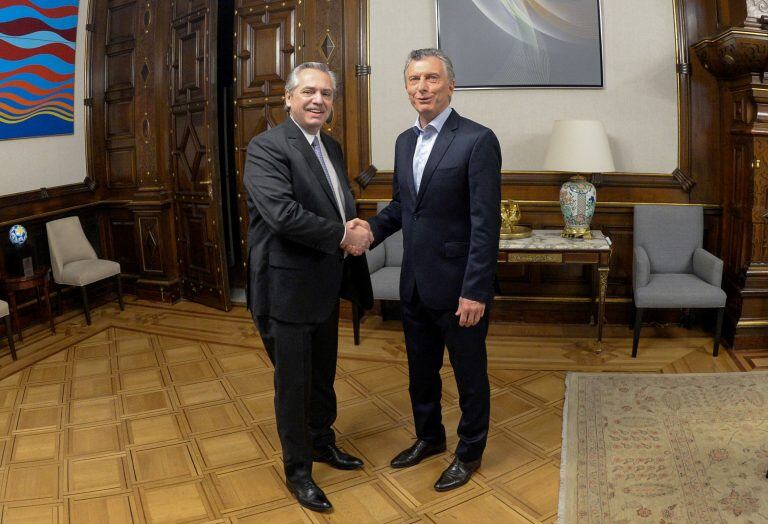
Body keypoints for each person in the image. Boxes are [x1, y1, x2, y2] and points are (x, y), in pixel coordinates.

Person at [368, 48, 501, 491]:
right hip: (415, 283)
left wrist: (475, 291)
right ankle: (429, 439)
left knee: (469, 376)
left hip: (460, 288)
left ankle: (469, 452)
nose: (421, 87)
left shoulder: (478, 140)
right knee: (420, 372)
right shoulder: (404, 141)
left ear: (450, 84)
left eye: (431, 78)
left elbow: (486, 224)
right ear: (406, 88)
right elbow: (404, 207)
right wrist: (367, 232)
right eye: (413, 80)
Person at [244, 61, 373, 512]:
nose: (319, 100)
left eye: (327, 94)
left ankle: (323, 443)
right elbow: (282, 215)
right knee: (294, 385)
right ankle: (298, 471)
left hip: (322, 285)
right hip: (285, 290)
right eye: (309, 92)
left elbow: (330, 201)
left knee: (321, 378)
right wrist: (344, 235)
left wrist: (349, 220)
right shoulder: (266, 147)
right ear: (288, 98)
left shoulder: (330, 146)